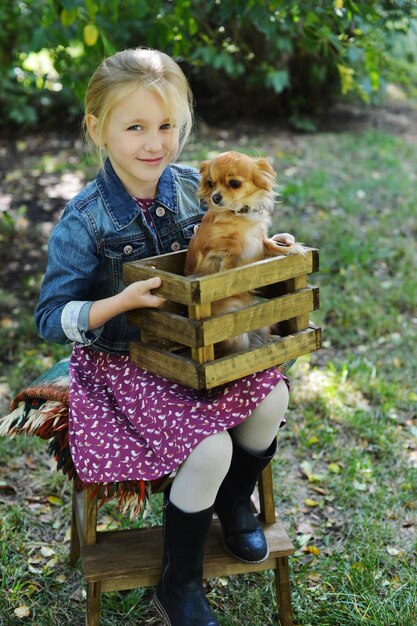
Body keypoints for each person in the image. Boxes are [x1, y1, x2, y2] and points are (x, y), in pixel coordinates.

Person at [35, 48, 294, 626]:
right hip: (127, 363)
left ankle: (234, 502)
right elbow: (51, 316)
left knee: (273, 398)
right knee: (212, 447)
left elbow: (239, 233)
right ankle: (179, 583)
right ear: (96, 128)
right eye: (136, 127)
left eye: (168, 127)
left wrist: (272, 248)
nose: (155, 143)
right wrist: (116, 304)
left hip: (198, 347)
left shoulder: (190, 186)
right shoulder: (86, 219)